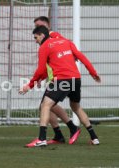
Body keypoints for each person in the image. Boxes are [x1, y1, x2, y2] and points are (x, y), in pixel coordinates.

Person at [19, 25, 100, 147]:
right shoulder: (67, 42)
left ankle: (42, 139)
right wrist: (93, 73)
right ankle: (94, 137)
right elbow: (81, 56)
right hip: (76, 79)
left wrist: (29, 85)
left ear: (42, 35)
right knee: (76, 107)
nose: (35, 40)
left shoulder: (44, 46)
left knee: (45, 105)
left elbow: (41, 69)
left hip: (62, 80)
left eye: (36, 38)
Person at [26, 16, 80, 147]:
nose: (36, 28)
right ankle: (62, 133)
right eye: (35, 26)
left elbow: (66, 49)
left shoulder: (55, 37)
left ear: (46, 26)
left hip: (59, 78)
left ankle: (62, 131)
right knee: (48, 106)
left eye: (39, 25)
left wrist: (31, 83)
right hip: (52, 76)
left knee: (47, 105)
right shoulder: (45, 42)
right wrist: (40, 77)